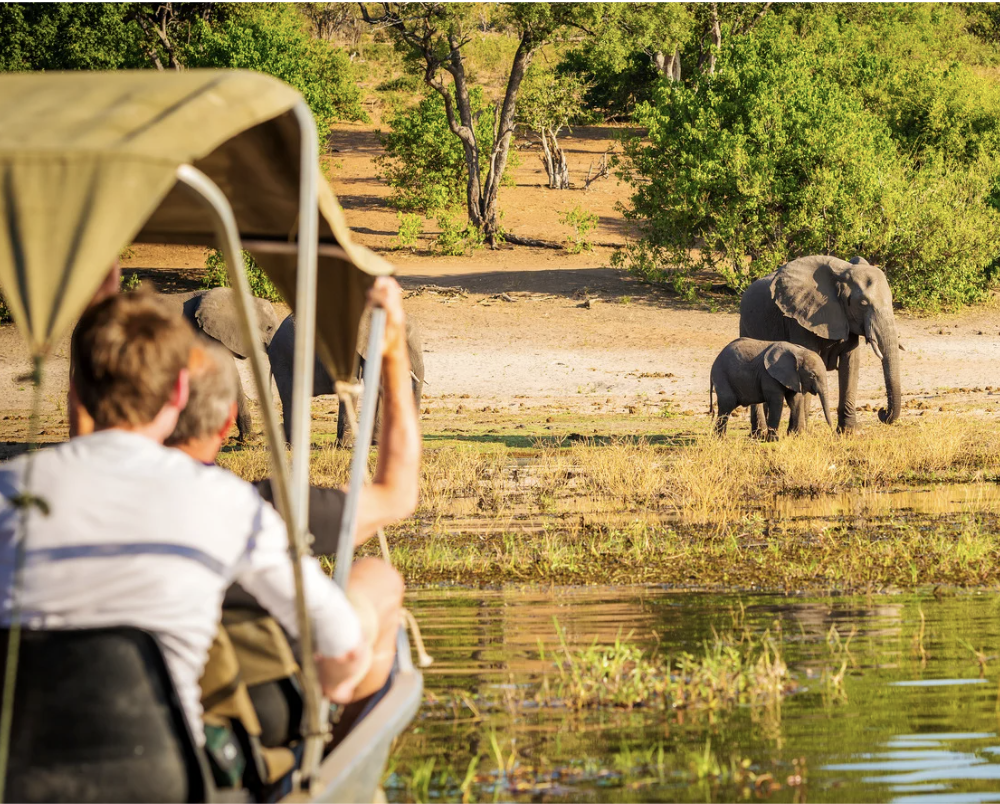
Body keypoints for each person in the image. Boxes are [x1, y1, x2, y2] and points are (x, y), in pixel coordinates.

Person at [0, 289, 371, 746]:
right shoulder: (224, 500)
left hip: (17, 773)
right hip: (168, 771)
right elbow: (344, 643)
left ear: (75, 389)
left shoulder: (7, 492)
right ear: (180, 390)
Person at [165, 277, 418, 775]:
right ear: (225, 424)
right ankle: (328, 767)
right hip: (233, 743)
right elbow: (397, 494)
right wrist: (393, 355)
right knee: (378, 580)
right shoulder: (249, 510)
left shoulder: (18, 500)